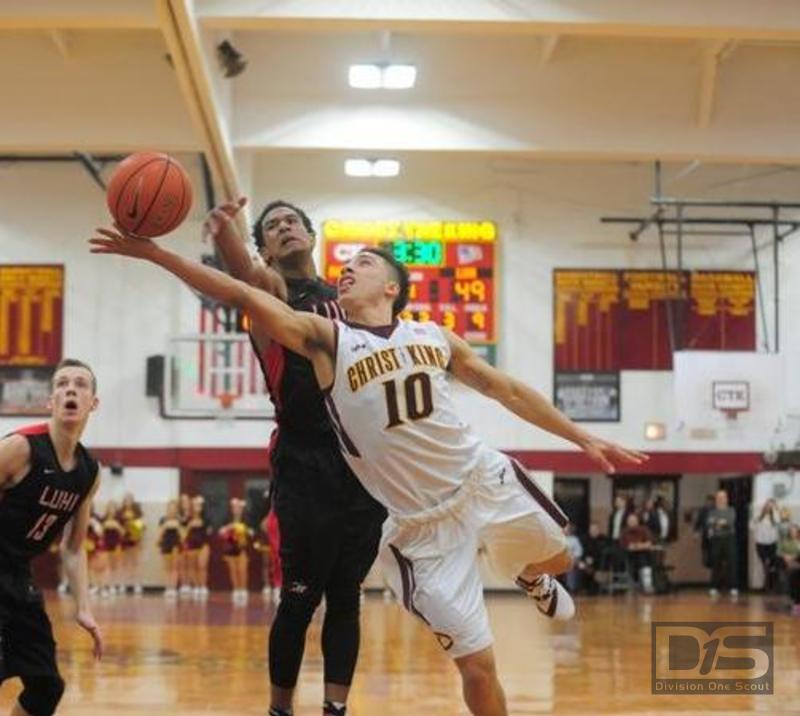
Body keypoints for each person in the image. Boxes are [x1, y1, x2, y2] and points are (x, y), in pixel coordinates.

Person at [90, 230, 647, 716]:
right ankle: (522, 571)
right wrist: (156, 254)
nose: (346, 269)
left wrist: (582, 435)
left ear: (392, 288)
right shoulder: (329, 340)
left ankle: (529, 572)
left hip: (479, 478)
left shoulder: (432, 336)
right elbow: (240, 292)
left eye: (363, 262)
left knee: (561, 557)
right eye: (344, 264)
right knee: (478, 668)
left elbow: (506, 389)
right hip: (419, 528)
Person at [203, 198, 387, 716]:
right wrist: (226, 235)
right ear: (265, 246)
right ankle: (279, 709)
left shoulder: (346, 298)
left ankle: (336, 708)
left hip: (360, 460)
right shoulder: (277, 293)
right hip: (304, 460)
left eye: (291, 222)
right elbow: (247, 276)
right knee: (301, 597)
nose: (284, 229)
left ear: (310, 233)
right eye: (272, 228)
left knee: (347, 596)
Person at [0, 358, 104, 715]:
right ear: (50, 402)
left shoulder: (89, 472)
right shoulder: (20, 448)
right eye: (61, 384)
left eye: (80, 384)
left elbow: (73, 549)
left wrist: (84, 608)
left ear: (93, 402)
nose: (70, 389)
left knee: (46, 686)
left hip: (18, 577)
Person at [705, 489, 738, 597]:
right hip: (716, 539)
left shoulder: (731, 510)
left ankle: (733, 587)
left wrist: (718, 523)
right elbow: (710, 523)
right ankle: (714, 587)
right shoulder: (712, 511)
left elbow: (729, 522)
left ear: (726, 499)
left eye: (723, 497)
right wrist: (718, 523)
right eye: (719, 497)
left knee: (731, 562)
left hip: (729, 538)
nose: (721, 499)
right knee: (716, 562)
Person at [220, 498, 253, 604]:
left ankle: (243, 590)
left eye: (239, 508)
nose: (236, 509)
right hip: (230, 547)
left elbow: (252, 532)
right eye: (235, 508)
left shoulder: (247, 519)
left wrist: (244, 528)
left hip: (242, 547)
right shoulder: (227, 519)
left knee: (242, 569)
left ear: (242, 509)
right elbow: (221, 531)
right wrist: (229, 527)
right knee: (233, 569)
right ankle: (236, 589)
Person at [118, 491, 145, 595]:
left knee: (135, 563)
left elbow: (141, 524)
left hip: (135, 539)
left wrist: (134, 527)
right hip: (123, 540)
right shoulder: (120, 512)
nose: (128, 501)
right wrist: (122, 530)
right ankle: (123, 584)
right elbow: (118, 524)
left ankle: (137, 584)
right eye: (126, 499)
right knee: (124, 563)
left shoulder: (137, 512)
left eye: (130, 499)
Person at [619, 513, 654, 592]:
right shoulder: (624, 531)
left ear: (637, 521)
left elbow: (649, 544)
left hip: (643, 554)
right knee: (639, 557)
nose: (632, 522)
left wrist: (637, 546)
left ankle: (647, 585)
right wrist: (637, 546)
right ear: (627, 522)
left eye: (633, 520)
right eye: (630, 520)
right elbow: (624, 546)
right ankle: (640, 583)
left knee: (643, 557)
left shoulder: (644, 529)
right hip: (629, 555)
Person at [751, 499, 780, 592]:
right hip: (761, 544)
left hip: (772, 543)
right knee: (765, 564)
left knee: (771, 565)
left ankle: (770, 586)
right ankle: (766, 586)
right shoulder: (759, 516)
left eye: (771, 506)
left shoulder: (776, 516)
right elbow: (751, 526)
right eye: (768, 505)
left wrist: (775, 510)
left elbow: (778, 521)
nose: (769, 507)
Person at [158, 499, 183, 599]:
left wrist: (178, 527)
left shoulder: (180, 519)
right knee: (167, 567)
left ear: (176, 509)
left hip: (176, 543)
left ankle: (173, 588)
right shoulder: (163, 519)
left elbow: (183, 535)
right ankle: (168, 587)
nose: (172, 510)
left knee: (175, 566)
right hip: (166, 543)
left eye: (174, 508)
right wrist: (165, 527)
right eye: (170, 508)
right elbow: (159, 535)